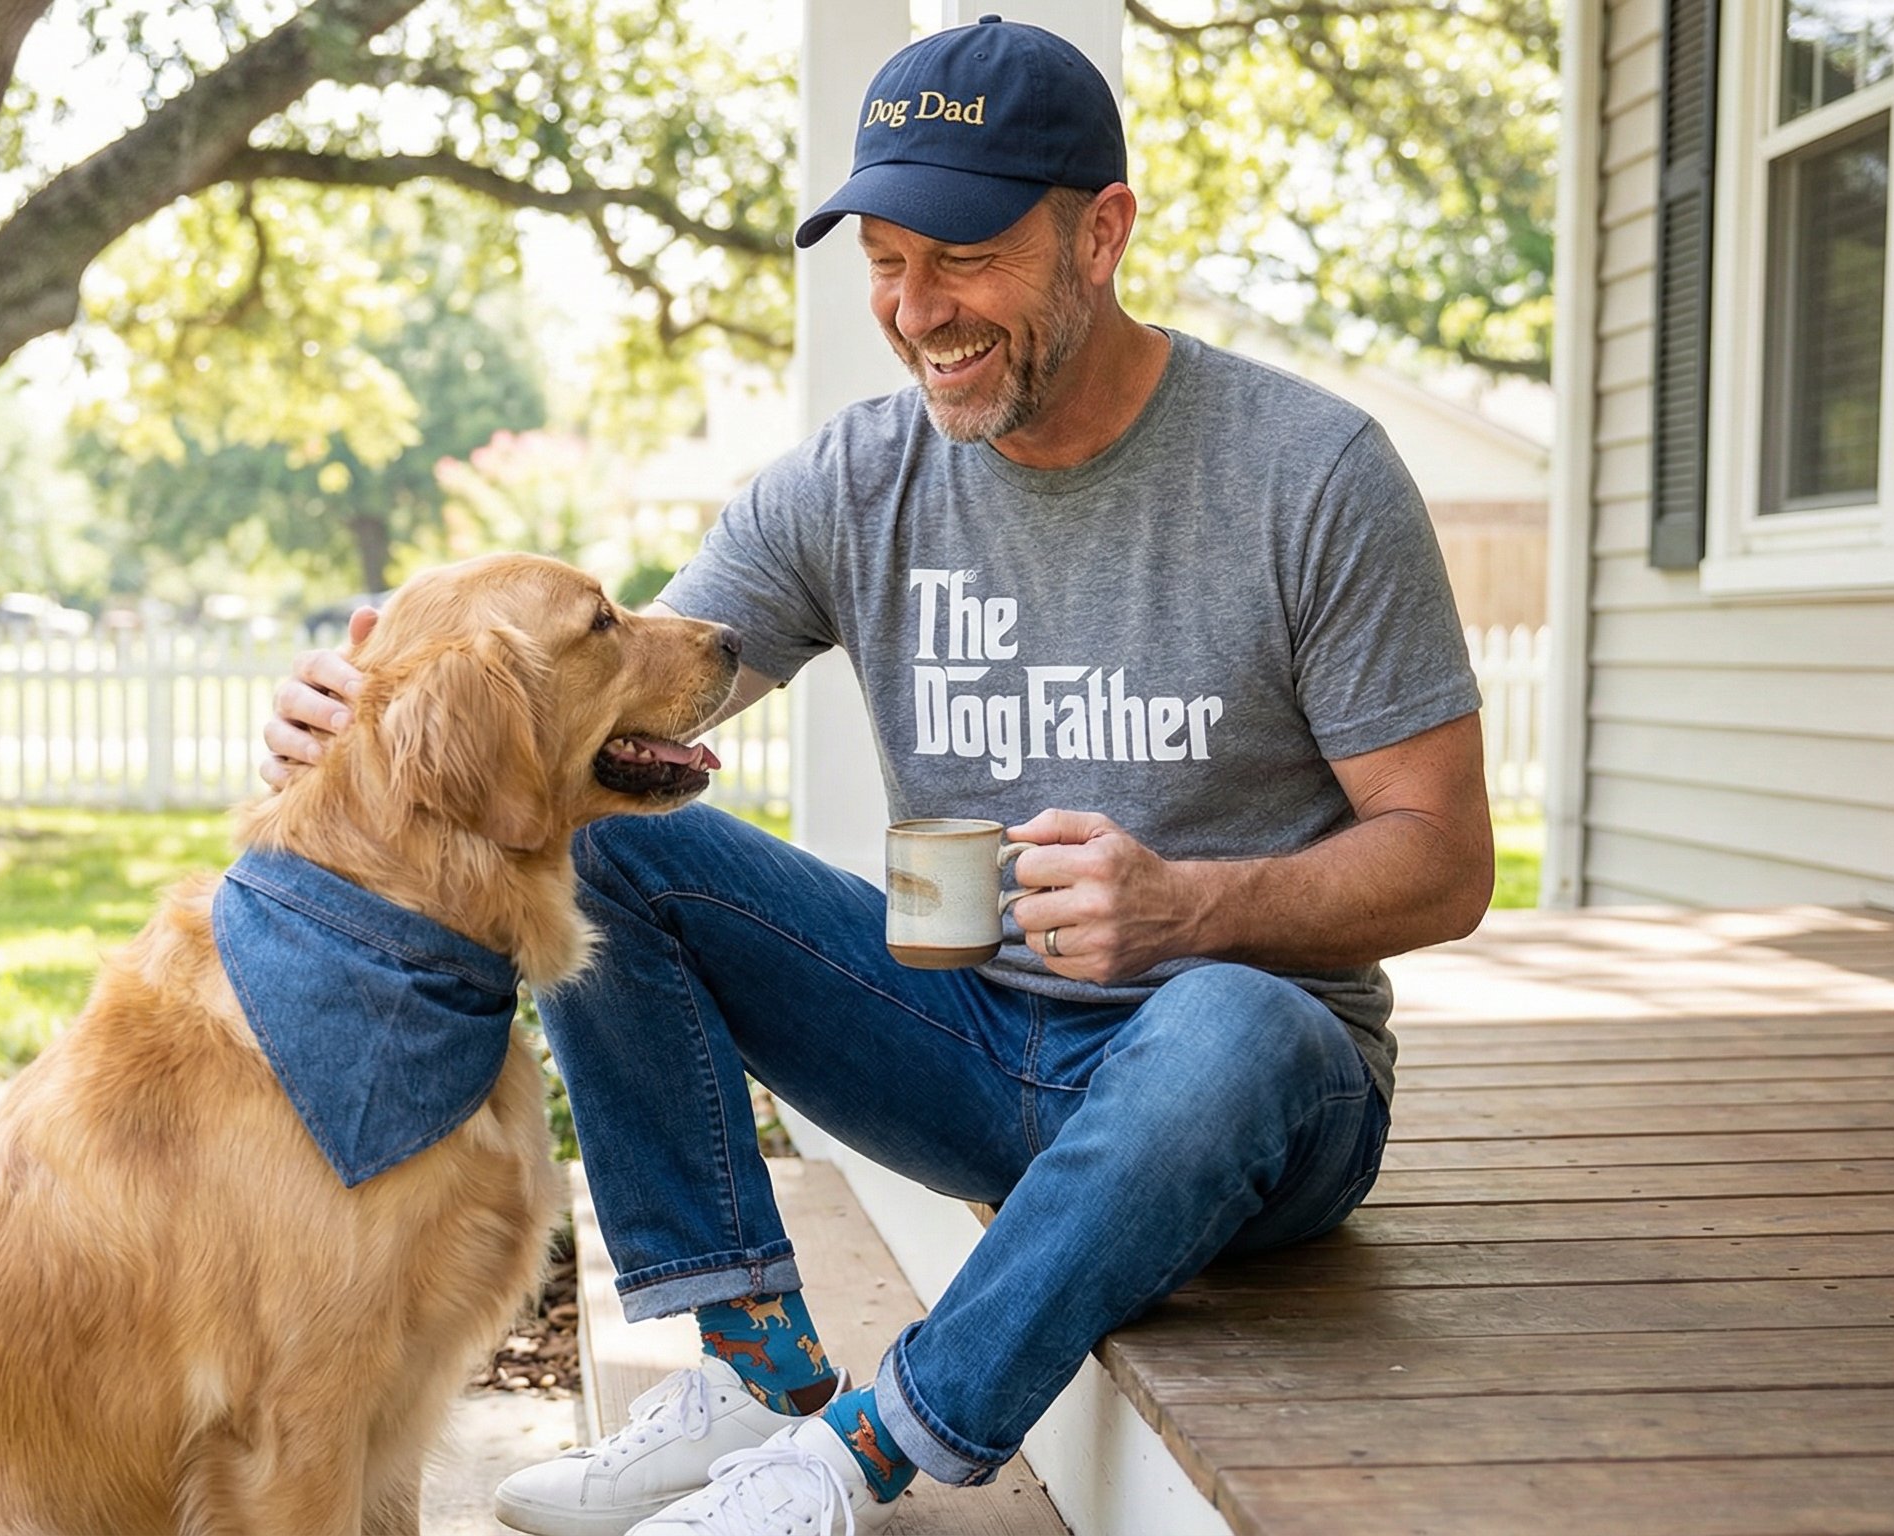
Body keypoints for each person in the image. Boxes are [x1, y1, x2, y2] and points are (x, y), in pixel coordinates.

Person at [264, 16, 1493, 1533]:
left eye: (963, 255)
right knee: (609, 844)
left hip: (1251, 1094)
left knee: (1237, 1019)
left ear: (1100, 232)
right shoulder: (862, 476)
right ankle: (754, 1368)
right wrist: (364, 716)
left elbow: (1444, 860)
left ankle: (853, 1459)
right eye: (886, 260)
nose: (917, 312)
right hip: (972, 1036)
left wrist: (1190, 909)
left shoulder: (1308, 475)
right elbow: (596, 695)